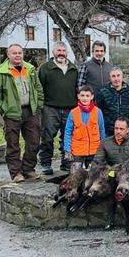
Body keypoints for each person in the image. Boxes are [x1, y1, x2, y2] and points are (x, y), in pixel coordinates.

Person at [0, 44, 44, 183]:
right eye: (14, 53)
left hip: (30, 111)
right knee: (13, 144)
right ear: (8, 55)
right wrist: (2, 109)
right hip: (12, 113)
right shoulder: (1, 72)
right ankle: (16, 173)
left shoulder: (30, 69)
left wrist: (38, 105)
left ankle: (29, 169)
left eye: (20, 52)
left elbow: (38, 88)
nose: (18, 55)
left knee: (34, 142)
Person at [37, 41, 78, 174]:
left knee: (68, 137)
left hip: (70, 108)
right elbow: (39, 88)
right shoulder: (45, 68)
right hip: (50, 107)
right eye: (58, 50)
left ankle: (66, 162)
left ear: (66, 53)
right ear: (53, 52)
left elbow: (77, 88)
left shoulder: (73, 68)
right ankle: (46, 163)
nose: (61, 53)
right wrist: (41, 105)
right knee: (47, 136)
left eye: (63, 50)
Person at [64, 85, 106, 169]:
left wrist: (103, 148)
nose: (85, 98)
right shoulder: (73, 112)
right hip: (77, 152)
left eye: (87, 96)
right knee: (76, 177)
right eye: (82, 95)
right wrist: (67, 150)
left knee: (93, 176)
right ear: (78, 96)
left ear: (92, 97)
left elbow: (102, 130)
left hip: (94, 151)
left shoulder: (98, 112)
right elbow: (68, 132)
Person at [95, 67, 129, 137]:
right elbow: (98, 112)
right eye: (113, 76)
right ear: (110, 78)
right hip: (108, 132)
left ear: (122, 77)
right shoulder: (103, 92)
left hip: (127, 132)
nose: (116, 79)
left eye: (118, 75)